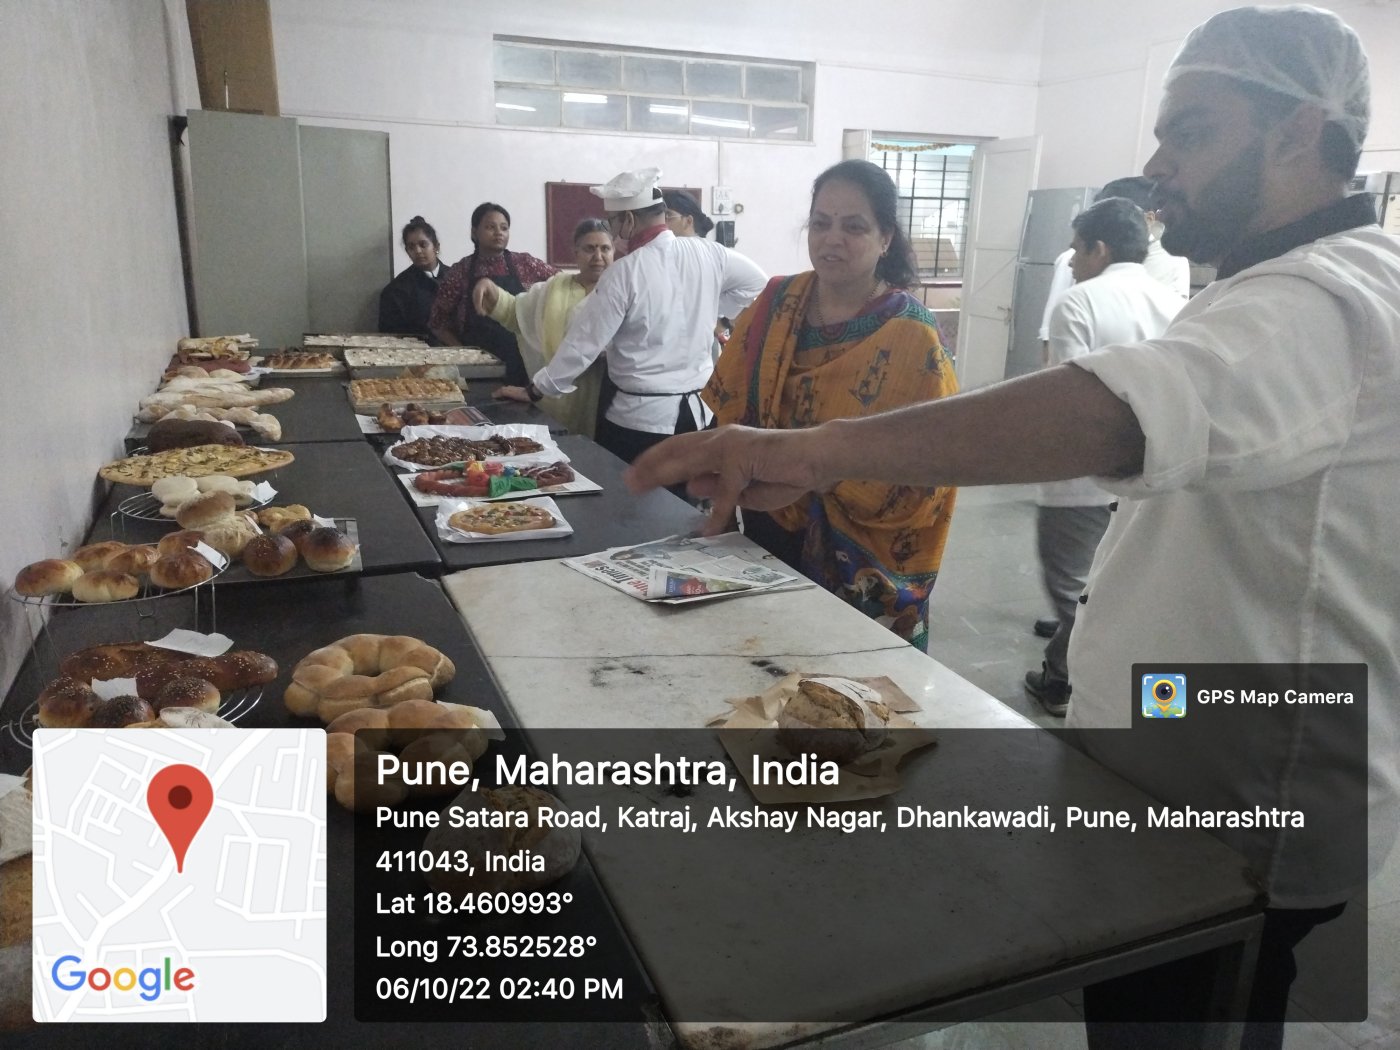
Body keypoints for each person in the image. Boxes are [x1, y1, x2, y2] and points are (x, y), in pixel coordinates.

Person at [628, 7, 1395, 1047]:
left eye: (1193, 131)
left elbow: (1111, 410)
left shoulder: (1331, 298)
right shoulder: (1262, 291)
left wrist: (805, 452)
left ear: (1300, 132)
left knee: (1187, 1018)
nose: (1157, 162)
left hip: (1240, 792)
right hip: (1173, 755)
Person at [707, 159, 958, 650]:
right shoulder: (777, 303)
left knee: (840, 688)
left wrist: (818, 477)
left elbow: (931, 465)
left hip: (859, 553)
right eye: (820, 224)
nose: (831, 239)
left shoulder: (912, 336)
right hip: (765, 524)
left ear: (885, 238)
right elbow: (731, 411)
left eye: (854, 226)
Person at [1024, 196, 1184, 715]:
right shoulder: (1174, 305)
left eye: (1076, 249)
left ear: (1100, 248)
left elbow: (1070, 400)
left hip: (1081, 480)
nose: (1070, 262)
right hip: (1151, 474)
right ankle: (1060, 669)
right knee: (1114, 576)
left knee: (1073, 585)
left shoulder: (1080, 302)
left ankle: (1074, 680)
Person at [521, 167, 767, 464]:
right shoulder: (709, 253)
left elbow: (581, 346)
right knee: (688, 507)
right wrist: (715, 307)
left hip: (639, 426)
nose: (613, 232)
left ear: (628, 220)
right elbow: (757, 284)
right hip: (700, 419)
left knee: (634, 506)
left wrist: (536, 390)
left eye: (613, 223)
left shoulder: (623, 273)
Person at [475, 219, 614, 439]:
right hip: (550, 397)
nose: (598, 256)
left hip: (603, 398)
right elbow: (516, 314)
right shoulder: (554, 288)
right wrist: (492, 291)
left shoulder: (619, 292)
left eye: (605, 248)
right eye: (589, 248)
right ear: (576, 252)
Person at [429, 202, 557, 384]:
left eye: (504, 228)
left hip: (523, 361)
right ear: (474, 232)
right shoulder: (461, 271)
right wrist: (464, 354)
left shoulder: (525, 263)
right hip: (477, 369)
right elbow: (438, 322)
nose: (499, 232)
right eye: (490, 227)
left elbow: (561, 285)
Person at [378, 216, 447, 343]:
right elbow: (390, 338)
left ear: (436, 247)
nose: (418, 251)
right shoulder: (396, 290)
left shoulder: (457, 278)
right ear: (407, 251)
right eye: (411, 247)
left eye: (423, 244)